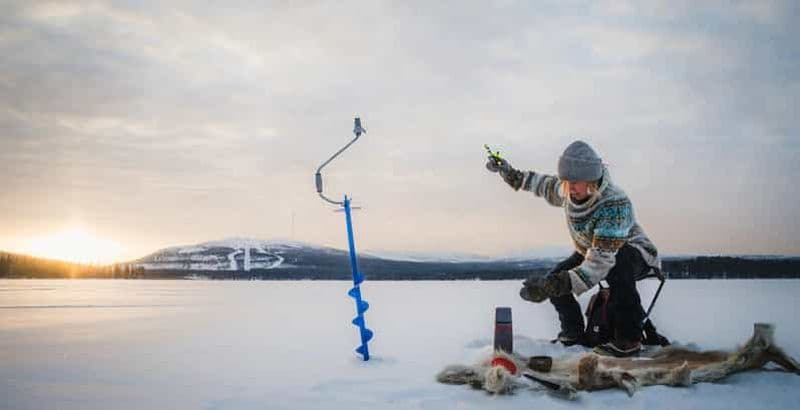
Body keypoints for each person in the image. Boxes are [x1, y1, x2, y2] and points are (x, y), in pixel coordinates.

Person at [486, 140, 661, 357]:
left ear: (592, 180)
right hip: (592, 252)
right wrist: (509, 172)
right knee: (555, 275)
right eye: (567, 182)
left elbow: (601, 263)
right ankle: (573, 332)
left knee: (618, 263)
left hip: (634, 253)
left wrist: (555, 285)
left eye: (575, 182)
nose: (570, 188)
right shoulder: (569, 189)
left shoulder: (614, 204)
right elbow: (543, 184)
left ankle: (628, 339)